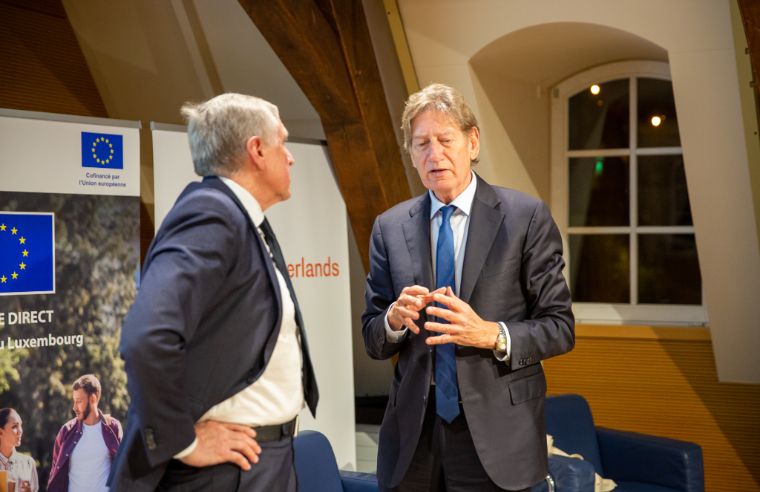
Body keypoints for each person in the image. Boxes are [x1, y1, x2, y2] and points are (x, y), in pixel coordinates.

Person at [362, 83, 575, 491]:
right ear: (411, 154)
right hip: (414, 438)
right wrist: (393, 320)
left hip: (498, 436)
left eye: (445, 140)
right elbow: (373, 337)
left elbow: (560, 327)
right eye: (422, 143)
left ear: (472, 142)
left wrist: (491, 334)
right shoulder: (389, 227)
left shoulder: (524, 217)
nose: (434, 154)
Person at [109, 93, 318, 491]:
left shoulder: (238, 217)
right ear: (257, 150)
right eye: (283, 142)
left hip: (261, 460)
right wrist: (184, 442)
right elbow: (146, 337)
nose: (291, 157)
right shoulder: (212, 212)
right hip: (227, 472)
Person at [47, 374, 122, 492]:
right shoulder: (66, 431)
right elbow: (54, 473)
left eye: (78, 401)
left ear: (93, 399)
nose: (74, 407)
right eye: (74, 401)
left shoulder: (113, 428)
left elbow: (124, 469)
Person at [0, 408, 38, 492]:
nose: (20, 431)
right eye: (14, 426)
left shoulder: (29, 463)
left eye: (21, 425)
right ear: (1, 432)